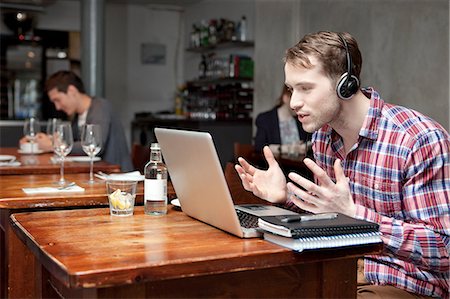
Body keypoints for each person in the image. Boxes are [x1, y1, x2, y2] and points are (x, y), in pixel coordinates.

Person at [235, 31, 449, 298]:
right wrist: (286, 196)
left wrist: (356, 214)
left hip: (402, 283)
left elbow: (444, 249)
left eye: (305, 88)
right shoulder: (323, 137)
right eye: (291, 89)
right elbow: (328, 219)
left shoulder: (418, 140)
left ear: (344, 84)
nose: (293, 102)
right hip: (338, 269)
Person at [20, 71, 133, 172]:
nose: (57, 107)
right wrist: (37, 140)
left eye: (57, 100)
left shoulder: (100, 107)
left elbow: (94, 145)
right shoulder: (79, 115)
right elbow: (70, 141)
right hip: (98, 174)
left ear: (72, 90)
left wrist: (52, 146)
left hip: (117, 178)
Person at [254, 84, 310, 153]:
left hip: (299, 163)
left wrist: (305, 147)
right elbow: (259, 146)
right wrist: (285, 149)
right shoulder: (265, 119)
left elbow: (310, 140)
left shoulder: (301, 118)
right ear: (285, 98)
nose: (299, 106)